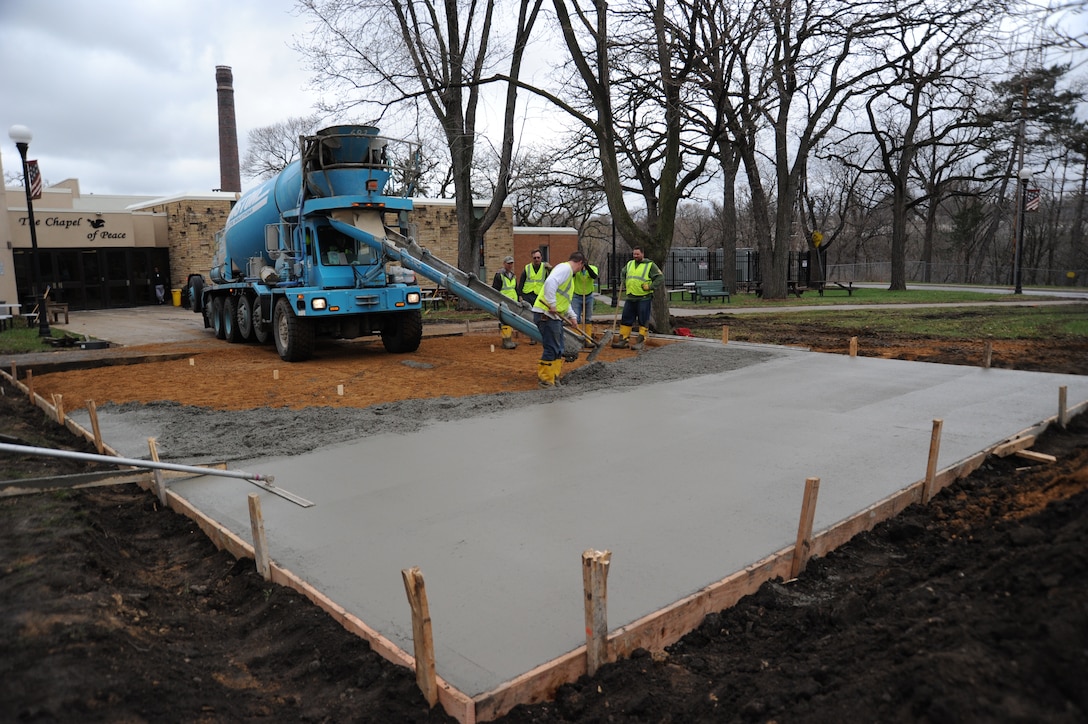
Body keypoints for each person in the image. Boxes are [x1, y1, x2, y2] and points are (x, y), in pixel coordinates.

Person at [533, 251, 586, 388]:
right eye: (582, 267)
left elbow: (565, 299)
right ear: (580, 263)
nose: (581, 270)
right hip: (546, 315)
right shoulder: (565, 269)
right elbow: (550, 282)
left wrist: (572, 316)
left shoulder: (569, 276)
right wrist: (552, 304)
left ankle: (555, 378)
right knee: (551, 347)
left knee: (558, 348)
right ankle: (545, 381)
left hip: (555, 317)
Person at [612, 246, 663, 349]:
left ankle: (640, 342)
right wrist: (624, 281)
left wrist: (650, 287)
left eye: (637, 254)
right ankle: (623, 341)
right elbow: (623, 272)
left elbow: (660, 277)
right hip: (630, 297)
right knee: (626, 319)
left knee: (643, 320)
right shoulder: (630, 264)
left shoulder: (650, 265)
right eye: (634, 254)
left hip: (643, 297)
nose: (635, 256)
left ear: (642, 254)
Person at [519, 250, 551, 345]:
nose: (536, 259)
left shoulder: (545, 268)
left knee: (539, 317)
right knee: (530, 317)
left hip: (539, 296)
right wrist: (520, 295)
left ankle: (540, 335)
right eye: (534, 258)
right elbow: (522, 281)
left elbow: (552, 277)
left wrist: (550, 268)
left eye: (538, 257)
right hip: (528, 294)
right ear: (532, 258)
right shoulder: (527, 268)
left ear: (541, 258)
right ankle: (532, 337)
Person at [492, 255, 520, 349]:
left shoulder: (513, 276)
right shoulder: (499, 275)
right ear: (504, 264)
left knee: (510, 321)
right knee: (505, 321)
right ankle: (506, 342)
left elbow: (515, 288)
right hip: (504, 302)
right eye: (508, 263)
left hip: (513, 302)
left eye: (511, 263)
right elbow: (495, 290)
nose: (510, 265)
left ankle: (508, 340)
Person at [570, 258, 599, 348]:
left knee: (588, 319)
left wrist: (586, 267)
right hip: (577, 296)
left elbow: (594, 276)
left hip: (588, 296)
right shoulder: (576, 270)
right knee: (576, 318)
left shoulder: (593, 268)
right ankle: (576, 341)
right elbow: (571, 275)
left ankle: (587, 340)